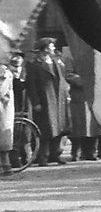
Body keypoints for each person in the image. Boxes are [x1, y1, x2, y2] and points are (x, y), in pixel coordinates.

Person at [26, 37, 68, 166]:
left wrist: (66, 94)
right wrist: (36, 102)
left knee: (59, 128)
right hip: (45, 100)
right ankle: (42, 157)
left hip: (58, 99)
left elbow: (62, 79)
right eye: (51, 46)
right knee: (45, 130)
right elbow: (31, 85)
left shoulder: (56, 61)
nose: (54, 48)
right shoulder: (34, 64)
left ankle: (56, 154)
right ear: (44, 48)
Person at [0, 62, 13, 176]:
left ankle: (5, 165)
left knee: (3, 135)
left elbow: (1, 90)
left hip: (3, 108)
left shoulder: (4, 72)